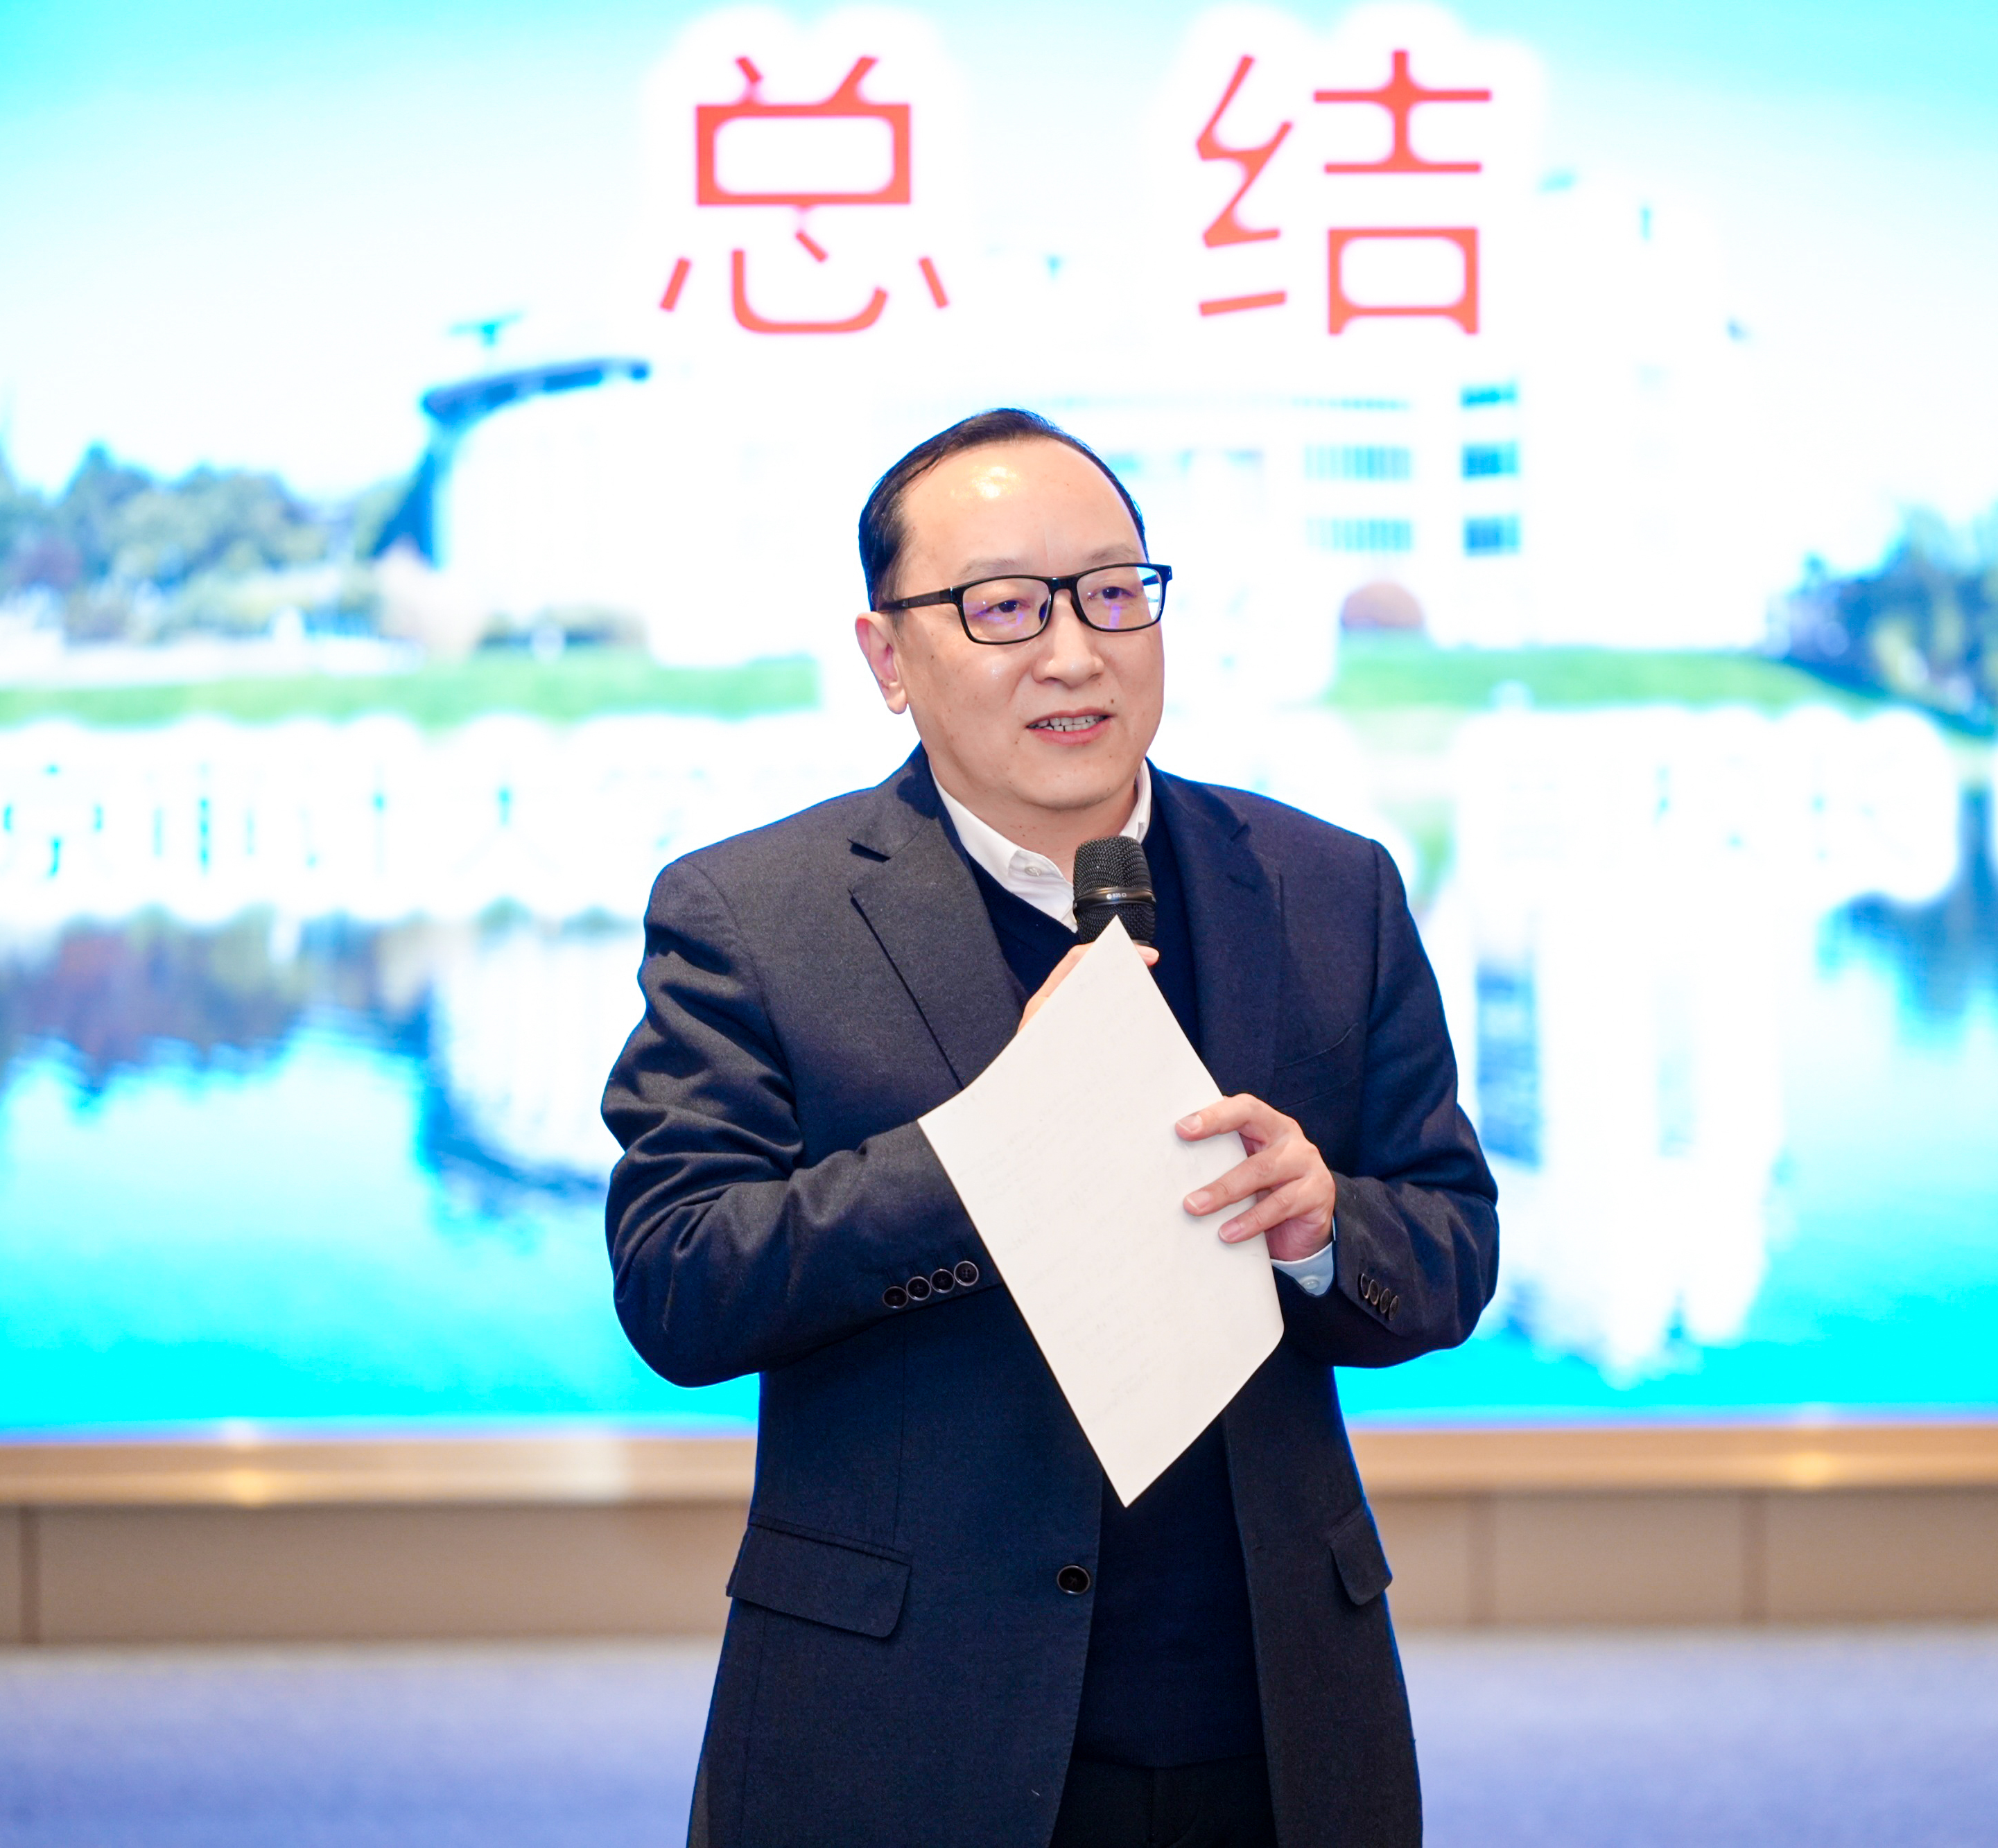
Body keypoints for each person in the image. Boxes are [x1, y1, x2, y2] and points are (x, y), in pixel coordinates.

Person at [602, 408, 1497, 1848]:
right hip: (903, 1727)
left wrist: (1325, 1225)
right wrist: (998, 1138)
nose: (1074, 651)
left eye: (1111, 593)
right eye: (1004, 607)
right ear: (887, 658)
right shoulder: (751, 915)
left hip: (1274, 1721)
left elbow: (1450, 1243)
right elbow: (682, 1282)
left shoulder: (1327, 887)